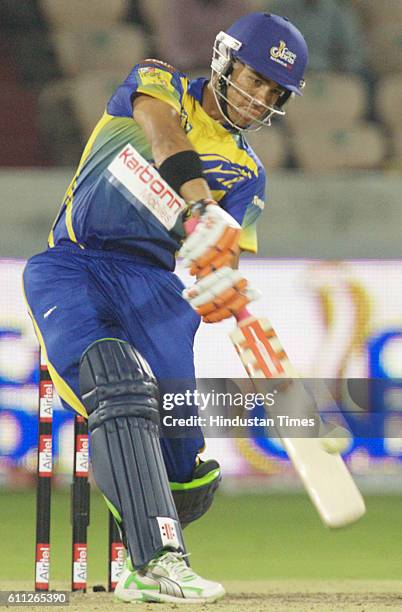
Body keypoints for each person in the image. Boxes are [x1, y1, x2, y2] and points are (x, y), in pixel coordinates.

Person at [23, 12, 308, 604]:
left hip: (156, 291)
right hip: (76, 264)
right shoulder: (160, 83)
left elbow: (225, 259)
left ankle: (132, 556)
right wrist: (200, 208)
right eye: (253, 79)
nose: (258, 100)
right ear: (224, 60)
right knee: (117, 384)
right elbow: (167, 141)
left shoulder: (249, 172)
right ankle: (161, 564)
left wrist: (221, 286)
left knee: (187, 469)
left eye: (273, 94)